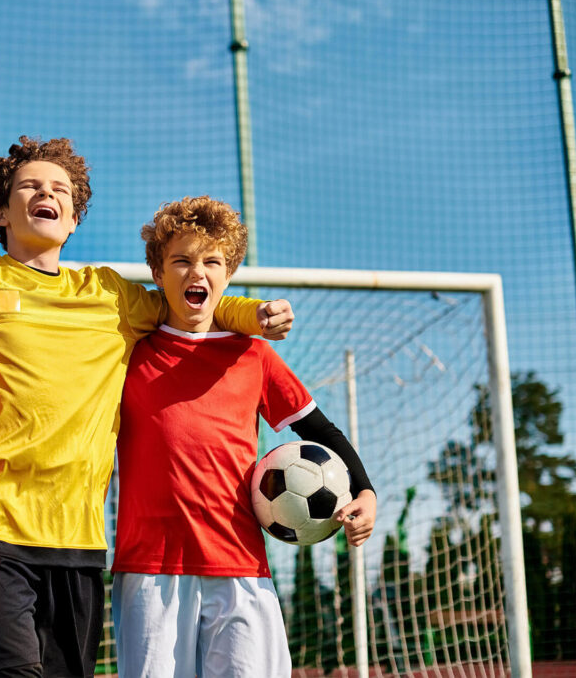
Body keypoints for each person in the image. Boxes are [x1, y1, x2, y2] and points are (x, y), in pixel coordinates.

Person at [0, 137, 295, 677]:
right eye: (30, 187)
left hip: (80, 540)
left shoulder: (111, 294)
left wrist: (253, 313)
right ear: (0, 212)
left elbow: (189, 299)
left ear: (73, 219)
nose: (47, 194)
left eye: (60, 189)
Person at [111, 195, 377, 678]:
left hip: (239, 562)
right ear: (157, 273)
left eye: (212, 261)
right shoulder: (127, 350)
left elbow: (319, 429)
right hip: (149, 570)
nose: (198, 272)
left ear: (228, 275)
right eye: (182, 261)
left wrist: (365, 490)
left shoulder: (252, 355)